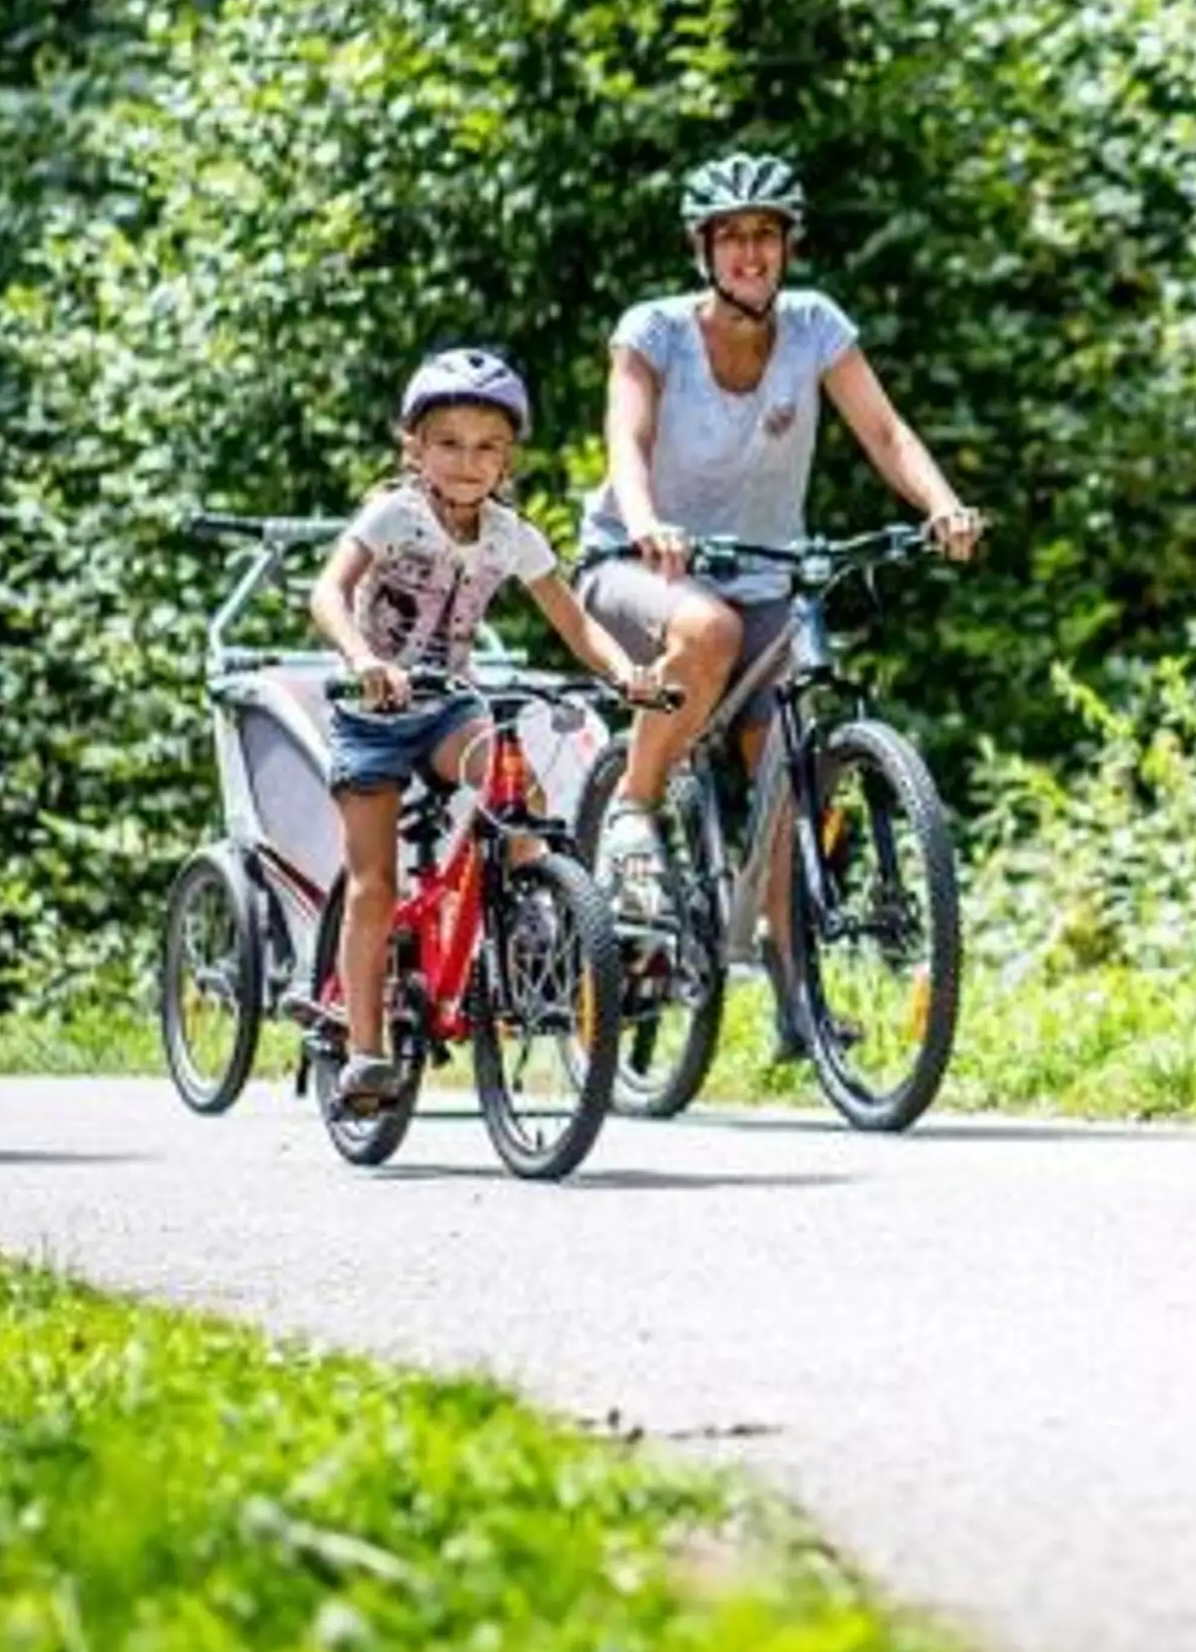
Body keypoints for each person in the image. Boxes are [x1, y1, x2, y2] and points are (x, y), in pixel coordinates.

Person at [578, 151, 981, 1048]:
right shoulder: (654, 331)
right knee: (707, 629)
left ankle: (790, 980)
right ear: (704, 251)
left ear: (786, 246)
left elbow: (884, 429)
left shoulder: (813, 327)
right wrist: (647, 521)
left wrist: (941, 503)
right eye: (733, 239)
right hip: (638, 570)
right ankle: (635, 808)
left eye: (766, 236)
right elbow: (626, 441)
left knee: (798, 756)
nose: (751, 254)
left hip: (765, 571)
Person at [306, 349, 659, 1114]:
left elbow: (576, 623)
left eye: (487, 446)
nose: (469, 462)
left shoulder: (511, 535)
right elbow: (326, 592)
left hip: (447, 707)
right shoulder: (391, 516)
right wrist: (363, 657)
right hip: (374, 715)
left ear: (508, 459)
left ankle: (529, 909)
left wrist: (624, 673)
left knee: (515, 782)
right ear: (415, 448)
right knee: (373, 884)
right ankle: (366, 1053)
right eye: (450, 443)